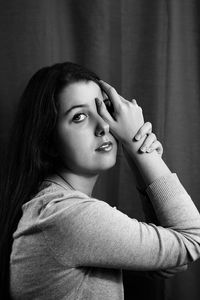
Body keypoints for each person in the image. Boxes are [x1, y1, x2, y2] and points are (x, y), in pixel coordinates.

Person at [0, 62, 200, 300]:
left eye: (104, 108)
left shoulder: (54, 207)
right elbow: (192, 238)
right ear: (48, 141)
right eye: (79, 116)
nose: (104, 125)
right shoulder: (66, 216)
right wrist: (140, 148)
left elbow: (169, 262)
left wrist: (137, 154)